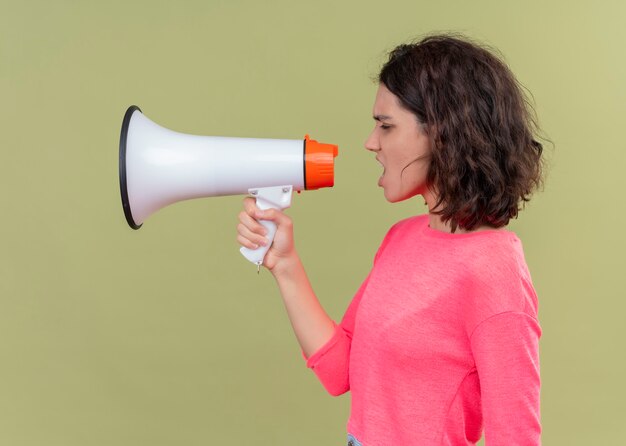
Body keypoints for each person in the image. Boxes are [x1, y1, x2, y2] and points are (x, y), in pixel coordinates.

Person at [237, 33, 544, 446]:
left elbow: (517, 438)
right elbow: (340, 371)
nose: (370, 142)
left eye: (386, 125)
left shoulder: (494, 270)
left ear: (444, 133)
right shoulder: (401, 239)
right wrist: (285, 264)